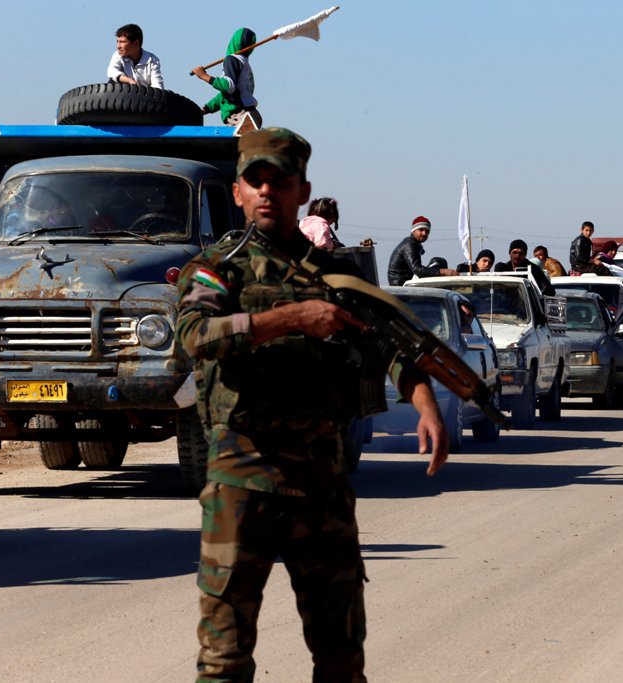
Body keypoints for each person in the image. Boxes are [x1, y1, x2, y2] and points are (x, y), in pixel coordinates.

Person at [176, 127, 449, 681]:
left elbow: (384, 343)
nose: (267, 191)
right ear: (238, 192)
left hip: (321, 484)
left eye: (281, 181)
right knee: (223, 661)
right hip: (240, 480)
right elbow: (195, 335)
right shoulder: (216, 267)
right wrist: (290, 318)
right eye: (256, 181)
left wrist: (425, 402)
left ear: (303, 191)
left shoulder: (338, 276)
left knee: (341, 655)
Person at [192, 28, 263, 128]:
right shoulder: (244, 63)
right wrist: (206, 108)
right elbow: (225, 96)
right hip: (251, 113)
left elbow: (228, 86)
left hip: (240, 115)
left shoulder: (232, 59)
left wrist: (204, 76)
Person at [387, 216, 456, 285]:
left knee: (440, 262)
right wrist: (443, 271)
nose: (424, 233)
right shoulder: (409, 245)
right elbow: (417, 270)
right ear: (413, 231)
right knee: (438, 264)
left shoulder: (415, 244)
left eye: (427, 231)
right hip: (400, 285)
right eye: (421, 230)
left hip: (405, 283)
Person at [106, 24, 163, 88]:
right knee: (111, 82)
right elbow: (112, 72)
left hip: (144, 96)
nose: (118, 46)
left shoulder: (152, 60)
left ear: (136, 43)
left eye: (122, 42)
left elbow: (158, 86)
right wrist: (130, 81)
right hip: (122, 95)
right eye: (117, 42)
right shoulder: (118, 55)